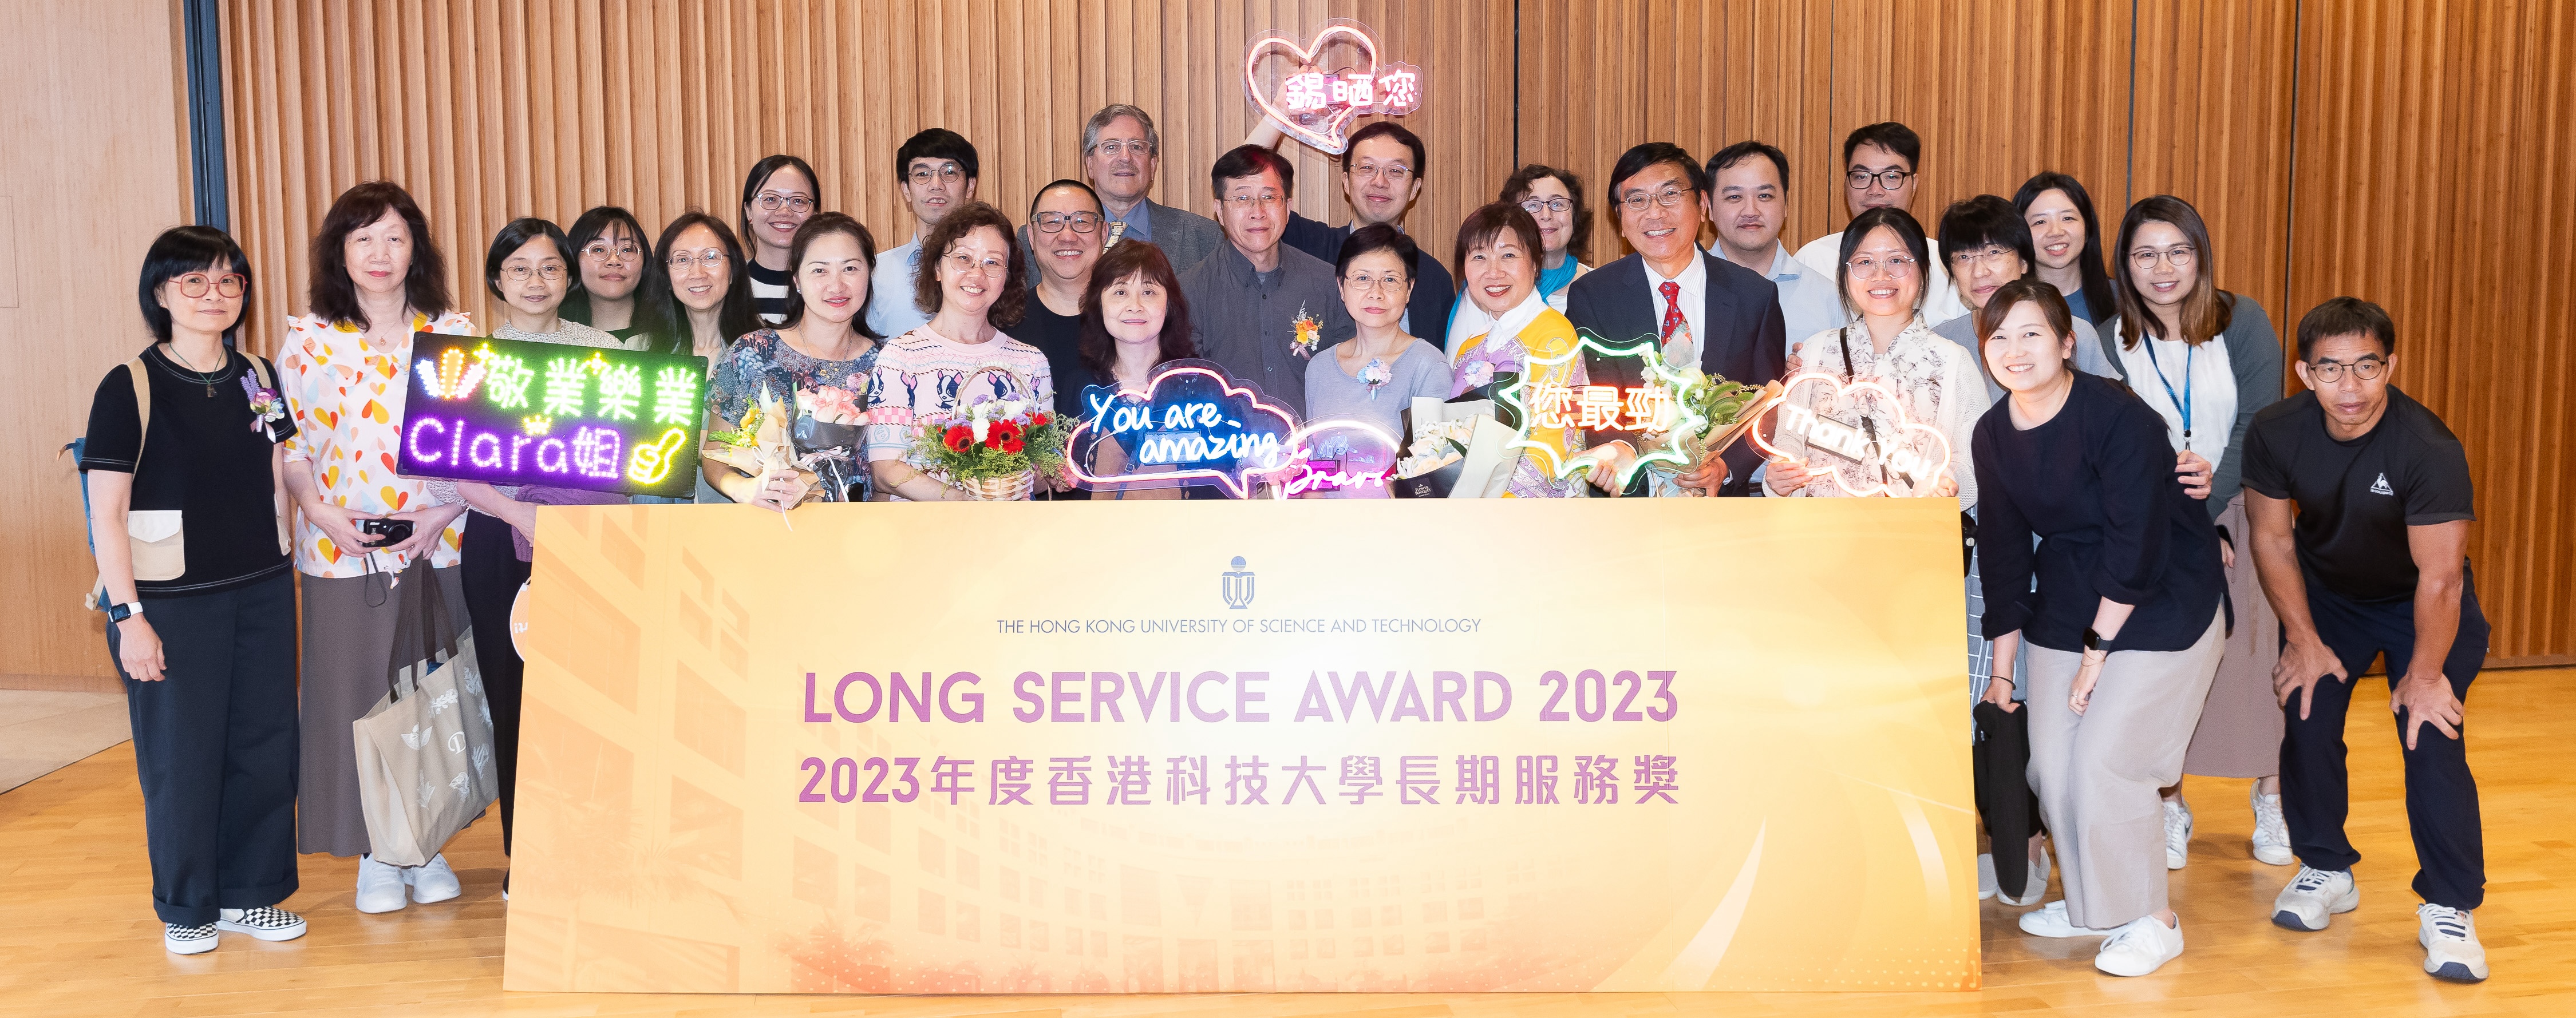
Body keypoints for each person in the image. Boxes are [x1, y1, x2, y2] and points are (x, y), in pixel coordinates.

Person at [1973, 278, 2227, 977]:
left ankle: (2153, 918)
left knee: (2107, 760)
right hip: (2067, 600)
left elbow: (2136, 541)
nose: (2015, 350)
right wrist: (2002, 671)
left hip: (2161, 599)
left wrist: (2096, 653)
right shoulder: (1994, 433)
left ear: (2065, 342)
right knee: (2051, 763)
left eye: (2032, 333)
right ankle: (2096, 907)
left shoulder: (2116, 417)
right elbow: (2001, 556)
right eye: (1999, 336)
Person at [2246, 298, 2491, 983]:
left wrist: (2424, 673)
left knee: (2428, 729)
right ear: (2304, 372)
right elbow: (2270, 537)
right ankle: (2325, 865)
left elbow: (2440, 581)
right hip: (2331, 599)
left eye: (2366, 367)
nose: (2349, 388)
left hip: (2421, 603)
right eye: (2330, 369)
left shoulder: (2428, 448)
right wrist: (2301, 638)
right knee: (2307, 706)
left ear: (2392, 367)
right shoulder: (2276, 430)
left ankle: (2450, 906)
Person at [80, 225, 306, 954]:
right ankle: (186, 906)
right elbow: (106, 513)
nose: (216, 296)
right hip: (173, 603)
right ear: (162, 293)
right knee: (182, 756)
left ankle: (251, 894)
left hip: (264, 591)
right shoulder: (129, 384)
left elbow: (277, 474)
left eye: (229, 282)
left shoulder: (260, 375)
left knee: (265, 747)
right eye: (196, 283)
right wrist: (128, 617)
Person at [272, 181, 474, 912]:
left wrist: (444, 512)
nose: (380, 253)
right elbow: (290, 446)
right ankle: (374, 855)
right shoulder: (310, 339)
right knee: (354, 700)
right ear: (341, 253)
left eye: (394, 236)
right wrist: (316, 509)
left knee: (429, 697)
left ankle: (426, 846)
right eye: (363, 239)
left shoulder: (452, 332)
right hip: (340, 551)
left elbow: (475, 446)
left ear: (415, 245)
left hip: (435, 542)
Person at [438, 219, 630, 893]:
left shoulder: (602, 349)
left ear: (569, 279)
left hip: (588, 536)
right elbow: (452, 470)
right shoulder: (468, 355)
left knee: (590, 695)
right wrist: (521, 514)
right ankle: (532, 855)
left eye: (550, 268)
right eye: (519, 269)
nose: (536, 281)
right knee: (514, 694)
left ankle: (593, 841)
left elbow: (627, 456)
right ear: (496, 281)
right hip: (498, 537)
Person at [2098, 195, 2289, 872]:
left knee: (2254, 657)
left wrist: (2215, 504)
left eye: (2178, 251)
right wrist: (2186, 521)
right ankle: (2170, 804)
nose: (2163, 268)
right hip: (2157, 520)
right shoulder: (2105, 336)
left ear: (2200, 256)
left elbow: (2261, 422)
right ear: (2124, 264)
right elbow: (2119, 437)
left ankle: (2273, 796)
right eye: (2145, 254)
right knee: (2169, 665)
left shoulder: (2242, 322)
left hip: (2242, 506)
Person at [1563, 142, 1787, 497]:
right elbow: (1590, 393)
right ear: (1620, 221)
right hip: (1630, 498)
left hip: (1722, 506)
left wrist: (1726, 468)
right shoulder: (1593, 296)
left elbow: (1769, 404)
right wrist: (1621, 452)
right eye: (1637, 200)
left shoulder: (1754, 296)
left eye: (1670, 195)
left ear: (1702, 206)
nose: (1655, 213)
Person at [1763, 207, 1982, 506]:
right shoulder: (1815, 352)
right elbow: (1788, 443)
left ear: (1923, 269)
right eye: (1864, 262)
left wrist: (1948, 488)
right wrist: (1777, 479)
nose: (1881, 275)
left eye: (1897, 261)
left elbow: (1972, 466)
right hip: (1819, 535)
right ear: (1845, 273)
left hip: (1909, 538)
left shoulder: (1953, 362)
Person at [864, 201, 1054, 502]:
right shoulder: (901, 357)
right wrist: (963, 503)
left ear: (1006, 278)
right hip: (925, 535)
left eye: (992, 262)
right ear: (938, 269)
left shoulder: (1031, 362)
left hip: (1013, 534)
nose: (977, 274)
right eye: (963, 258)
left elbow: (1043, 470)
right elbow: (887, 470)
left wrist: (1054, 471)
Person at [705, 213, 884, 508]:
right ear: (797, 280)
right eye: (819, 271)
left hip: (857, 535)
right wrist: (742, 489)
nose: (836, 286)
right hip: (768, 526)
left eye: (850, 268)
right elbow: (715, 451)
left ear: (869, 274)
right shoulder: (751, 353)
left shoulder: (889, 364)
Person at [1178, 145, 1355, 413]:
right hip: (1226, 451)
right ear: (1219, 210)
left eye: (1269, 198)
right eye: (1242, 198)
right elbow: (1186, 390)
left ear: (1287, 207)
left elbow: (1350, 377)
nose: (1257, 212)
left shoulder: (1327, 283)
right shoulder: (1189, 292)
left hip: (1314, 449)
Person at [1249, 120, 1456, 349]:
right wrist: (1280, 112)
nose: (1380, 182)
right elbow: (1240, 180)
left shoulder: (1435, 279)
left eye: (1396, 171)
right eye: (1367, 168)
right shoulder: (1309, 245)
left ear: (1415, 188)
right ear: (1346, 181)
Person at [1448, 202, 1588, 499]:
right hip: (1471, 510)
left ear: (1536, 263)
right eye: (1479, 257)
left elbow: (1549, 450)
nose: (1493, 272)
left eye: (1508, 255)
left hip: (1534, 516)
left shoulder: (1555, 336)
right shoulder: (1470, 347)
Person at [1302, 224, 1449, 497]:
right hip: (1327, 531)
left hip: (1395, 530)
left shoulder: (1427, 366)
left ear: (1409, 289)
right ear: (1342, 286)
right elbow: (1316, 472)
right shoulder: (1319, 368)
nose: (1376, 292)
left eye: (1390, 280)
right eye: (1362, 278)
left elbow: (1432, 476)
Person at [1930, 195, 2112, 402]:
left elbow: (2112, 413)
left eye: (1994, 252)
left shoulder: (2074, 333)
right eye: (1963, 257)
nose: (1979, 272)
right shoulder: (1940, 344)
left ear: (2024, 261)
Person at [1792, 122, 1967, 326]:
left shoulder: (1945, 262)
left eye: (1892, 177)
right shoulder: (1812, 260)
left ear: (1914, 185)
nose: (1875, 190)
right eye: (1861, 176)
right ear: (1846, 184)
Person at [1018, 105, 1223, 275]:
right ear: (1090, 164)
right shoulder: (1036, 238)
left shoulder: (1204, 238)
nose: (1125, 157)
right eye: (1111, 147)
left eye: (1137, 147)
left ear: (1152, 165)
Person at [1072, 241, 1200, 501]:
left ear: (1169, 304)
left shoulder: (1201, 386)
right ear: (1099, 303)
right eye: (1120, 292)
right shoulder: (1079, 386)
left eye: (1149, 292)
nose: (1135, 305)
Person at [1704, 141, 1846, 351]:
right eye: (1735, 197)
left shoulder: (1829, 297)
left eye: (1764, 196)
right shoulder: (1684, 292)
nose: (1750, 211)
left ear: (1786, 204)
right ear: (1710, 209)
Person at [1447, 164, 1594, 346]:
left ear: (1574, 215)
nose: (1546, 215)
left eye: (1557, 204)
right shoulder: (1487, 289)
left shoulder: (1598, 288)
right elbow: (1462, 367)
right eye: (1532, 205)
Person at [869, 129, 980, 339]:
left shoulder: (991, 270)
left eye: (949, 172)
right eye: (922, 174)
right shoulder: (876, 273)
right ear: (906, 190)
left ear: (970, 186)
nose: (936, 185)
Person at [1020, 180, 1107, 422]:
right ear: (1031, 236)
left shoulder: (1132, 322)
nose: (1068, 236)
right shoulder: (1003, 322)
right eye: (1051, 222)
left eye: (1082, 221)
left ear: (1104, 233)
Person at [2014, 172, 2119, 327]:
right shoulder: (2008, 305)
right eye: (2040, 222)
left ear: (2087, 226)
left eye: (2068, 218)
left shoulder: (2124, 299)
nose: (2056, 232)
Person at [738, 155, 823, 325]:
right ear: (749, 211)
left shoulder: (830, 286)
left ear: (815, 214)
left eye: (798, 201)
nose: (785, 212)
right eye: (770, 199)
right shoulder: (728, 285)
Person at [559, 205, 654, 348]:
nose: (614, 261)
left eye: (627, 249)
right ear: (574, 259)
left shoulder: (672, 335)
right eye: (598, 249)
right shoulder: (557, 338)